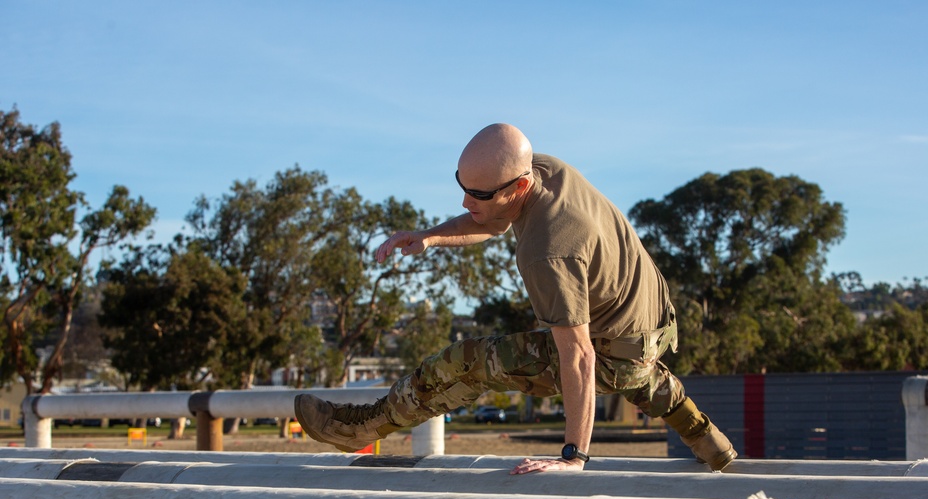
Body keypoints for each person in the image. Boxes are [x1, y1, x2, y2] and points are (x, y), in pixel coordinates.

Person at [295, 123, 737, 474]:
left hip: (613, 350)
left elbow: (579, 356)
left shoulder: (547, 250)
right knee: (633, 368)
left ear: (520, 186)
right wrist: (429, 237)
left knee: (468, 362)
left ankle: (360, 428)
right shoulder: (543, 168)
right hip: (652, 323)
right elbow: (492, 220)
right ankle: (709, 442)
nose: (466, 200)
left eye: (479, 194)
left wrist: (573, 457)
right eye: (462, 185)